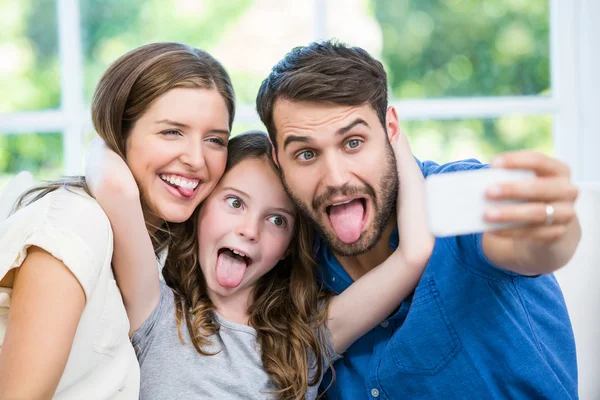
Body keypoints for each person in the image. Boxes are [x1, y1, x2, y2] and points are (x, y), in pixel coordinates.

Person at [255, 40, 581, 399]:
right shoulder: (288, 264)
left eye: (353, 143)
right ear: (278, 160)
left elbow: (528, 247)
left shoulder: (455, 197)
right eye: (305, 153)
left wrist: (552, 229)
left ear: (391, 130)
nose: (335, 178)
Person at [84, 131, 433, 400]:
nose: (249, 230)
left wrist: (392, 132)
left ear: (286, 249)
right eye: (235, 202)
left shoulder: (306, 337)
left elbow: (414, 253)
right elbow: (113, 181)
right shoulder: (156, 311)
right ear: (201, 208)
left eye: (277, 220)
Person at [0, 41, 235, 399]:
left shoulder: (167, 249)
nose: (196, 159)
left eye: (215, 139)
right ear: (119, 133)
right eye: (172, 132)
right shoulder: (76, 224)